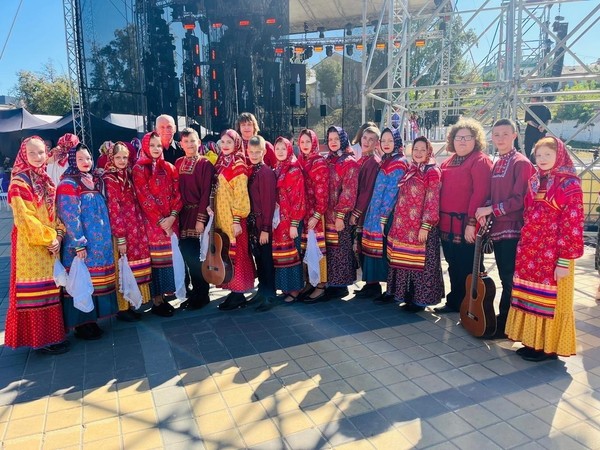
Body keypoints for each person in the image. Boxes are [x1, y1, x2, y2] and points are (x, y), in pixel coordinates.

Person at [505, 136, 584, 361]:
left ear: (559, 155)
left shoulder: (569, 184)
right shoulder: (536, 180)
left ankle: (547, 348)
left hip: (554, 256)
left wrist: (564, 260)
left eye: (548, 155)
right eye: (539, 155)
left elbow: (572, 224)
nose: (542, 159)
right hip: (532, 252)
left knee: (550, 301)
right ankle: (532, 342)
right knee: (530, 295)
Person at [5, 137, 69, 354]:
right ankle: (40, 340)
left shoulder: (46, 180)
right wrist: (49, 237)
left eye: (41, 152)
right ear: (23, 154)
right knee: (36, 292)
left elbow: (56, 213)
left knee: (51, 288)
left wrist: (58, 235)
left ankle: (53, 336)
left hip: (50, 245)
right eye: (32, 153)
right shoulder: (18, 182)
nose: (38, 157)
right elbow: (25, 218)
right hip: (31, 247)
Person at [475, 119, 536, 337]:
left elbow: (520, 200)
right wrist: (484, 211)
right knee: (505, 277)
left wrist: (491, 209)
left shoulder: (521, 162)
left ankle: (507, 324)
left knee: (510, 279)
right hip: (498, 229)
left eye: (505, 134)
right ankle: (505, 321)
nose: (500, 138)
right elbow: (493, 195)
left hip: (513, 230)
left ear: (515, 135)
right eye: (496, 134)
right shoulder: (498, 161)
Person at [57, 143, 118, 340]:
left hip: (100, 247)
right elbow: (69, 215)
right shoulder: (68, 183)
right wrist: (78, 243)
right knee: (82, 282)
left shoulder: (94, 179)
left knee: (94, 283)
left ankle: (92, 321)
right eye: (81, 159)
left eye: (89, 158)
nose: (86, 162)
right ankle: (82, 324)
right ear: (73, 160)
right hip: (83, 246)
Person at [436, 118, 493, 313]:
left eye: (467, 137)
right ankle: (455, 301)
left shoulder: (480, 161)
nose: (462, 141)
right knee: (452, 264)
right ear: (452, 139)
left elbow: (480, 193)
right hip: (446, 224)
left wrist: (471, 223)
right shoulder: (447, 162)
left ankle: (472, 306)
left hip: (466, 224)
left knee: (469, 266)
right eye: (458, 137)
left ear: (475, 140)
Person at [387, 136, 444, 311]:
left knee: (421, 266)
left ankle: (420, 301)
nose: (419, 153)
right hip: (404, 227)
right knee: (406, 263)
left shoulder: (431, 171)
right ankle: (408, 296)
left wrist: (426, 226)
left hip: (420, 228)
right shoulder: (411, 169)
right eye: (416, 149)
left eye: (422, 149)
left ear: (429, 151)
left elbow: (432, 199)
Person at [132, 132, 182, 317]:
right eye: (152, 145)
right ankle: (157, 300)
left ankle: (167, 296)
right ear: (145, 146)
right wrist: (161, 221)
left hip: (171, 222)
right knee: (156, 262)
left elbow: (178, 193)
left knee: (169, 260)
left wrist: (172, 217)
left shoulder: (169, 167)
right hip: (153, 224)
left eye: (159, 145)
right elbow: (143, 196)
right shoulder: (139, 169)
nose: (155, 149)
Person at [102, 141, 153, 321]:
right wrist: (121, 237)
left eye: (125, 157)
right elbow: (114, 208)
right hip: (122, 229)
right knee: (123, 266)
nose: (122, 160)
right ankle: (123, 308)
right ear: (111, 158)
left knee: (133, 265)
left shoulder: (128, 174)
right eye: (118, 157)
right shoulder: (110, 178)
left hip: (136, 226)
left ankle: (134, 303)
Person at [360, 127, 407, 303]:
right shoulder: (387, 161)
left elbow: (392, 192)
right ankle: (379, 288)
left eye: (390, 140)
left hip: (387, 217)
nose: (387, 144)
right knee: (376, 251)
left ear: (397, 142)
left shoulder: (399, 162)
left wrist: (383, 216)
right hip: (376, 214)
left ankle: (392, 291)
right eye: (384, 141)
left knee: (388, 252)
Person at [214, 129, 255, 310]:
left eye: (229, 142)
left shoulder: (238, 164)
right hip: (221, 218)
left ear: (236, 144)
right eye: (222, 142)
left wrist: (237, 219)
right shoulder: (221, 162)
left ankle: (238, 294)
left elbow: (241, 196)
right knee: (226, 255)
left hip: (234, 220)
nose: (225, 145)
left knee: (236, 255)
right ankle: (232, 290)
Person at [175, 128, 215, 310]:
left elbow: (206, 192)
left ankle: (202, 294)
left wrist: (201, 218)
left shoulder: (205, 164)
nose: (190, 144)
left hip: (198, 215)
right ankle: (192, 293)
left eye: (193, 141)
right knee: (186, 255)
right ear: (181, 144)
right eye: (186, 141)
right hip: (182, 216)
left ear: (199, 142)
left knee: (197, 257)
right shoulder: (177, 163)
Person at [325, 126, 359, 299]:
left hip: (339, 216)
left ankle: (341, 285)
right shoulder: (329, 160)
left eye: (336, 139)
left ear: (343, 140)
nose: (333, 142)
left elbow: (349, 191)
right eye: (330, 139)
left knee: (341, 249)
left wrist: (340, 215)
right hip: (326, 215)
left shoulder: (349, 162)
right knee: (331, 250)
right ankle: (333, 282)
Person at [350, 126, 383, 298]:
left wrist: (356, 213)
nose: (366, 142)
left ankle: (372, 285)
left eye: (371, 139)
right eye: (364, 138)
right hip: (360, 211)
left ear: (377, 143)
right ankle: (368, 284)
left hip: (366, 213)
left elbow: (367, 191)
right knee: (360, 247)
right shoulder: (362, 160)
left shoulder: (373, 162)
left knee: (366, 248)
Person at [272, 136, 306, 304]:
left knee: (292, 254)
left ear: (289, 149)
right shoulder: (279, 167)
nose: (280, 152)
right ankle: (286, 288)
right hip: (279, 221)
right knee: (281, 254)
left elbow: (298, 198)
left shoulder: (293, 169)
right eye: (277, 148)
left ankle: (294, 289)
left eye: (283, 149)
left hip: (290, 221)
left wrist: (294, 224)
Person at [297, 129, 329, 302]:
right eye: (302, 142)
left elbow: (322, 192)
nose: (305, 145)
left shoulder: (319, 163)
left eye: (308, 142)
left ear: (314, 143)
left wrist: (317, 215)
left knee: (318, 249)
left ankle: (321, 285)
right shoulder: (301, 161)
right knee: (306, 249)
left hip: (316, 214)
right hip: (304, 213)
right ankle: (310, 281)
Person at [246, 136, 278, 311]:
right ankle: (262, 291)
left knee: (266, 261)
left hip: (262, 224)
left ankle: (270, 295)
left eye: (258, 152)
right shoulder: (254, 170)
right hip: (253, 224)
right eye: (251, 152)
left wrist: (265, 229)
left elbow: (268, 202)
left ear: (264, 152)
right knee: (259, 259)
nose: (254, 154)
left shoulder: (265, 172)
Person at [523, 94, 551, 161]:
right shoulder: (545, 108)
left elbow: (529, 121)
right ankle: (540, 162)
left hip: (531, 131)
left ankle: (528, 161)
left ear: (536, 99)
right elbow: (548, 120)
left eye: (532, 98)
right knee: (540, 148)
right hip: (540, 131)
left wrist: (539, 126)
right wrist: (543, 126)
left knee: (529, 148)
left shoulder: (531, 108)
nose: (531, 100)